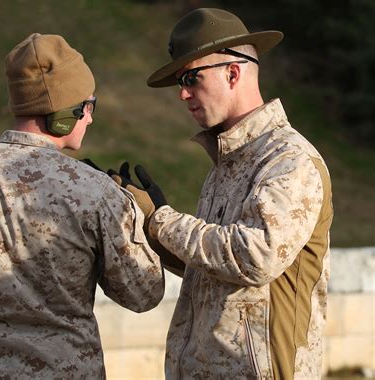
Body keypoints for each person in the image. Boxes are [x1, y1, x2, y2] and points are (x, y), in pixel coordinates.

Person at [0, 33, 164, 379]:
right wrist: (138, 218)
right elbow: (143, 293)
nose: (90, 118)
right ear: (64, 115)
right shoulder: (96, 192)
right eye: (89, 107)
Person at [112, 8, 333, 379]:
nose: (183, 93)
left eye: (191, 78)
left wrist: (161, 219)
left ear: (233, 73)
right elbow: (213, 269)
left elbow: (255, 255)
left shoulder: (289, 160)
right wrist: (141, 221)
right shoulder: (227, 165)